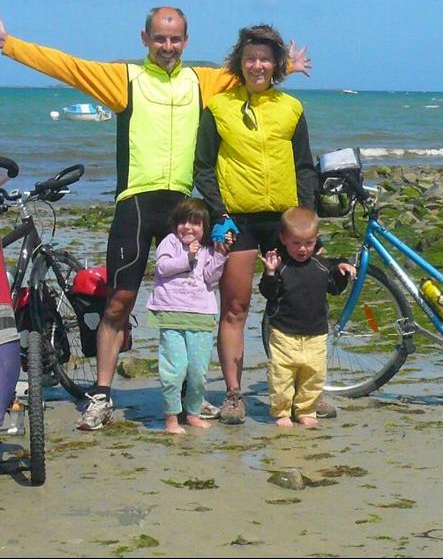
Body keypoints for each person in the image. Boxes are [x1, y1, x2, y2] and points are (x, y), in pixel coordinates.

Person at [0, 7, 310, 431]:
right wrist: (10, 45)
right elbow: (71, 68)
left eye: (176, 39)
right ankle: (102, 394)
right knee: (118, 300)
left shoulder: (202, 81)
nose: (168, 46)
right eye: (160, 38)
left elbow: (252, 73)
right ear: (145, 38)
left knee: (190, 304)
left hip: (183, 208)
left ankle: (189, 395)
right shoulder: (124, 79)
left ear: (186, 41)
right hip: (135, 203)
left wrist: (288, 65)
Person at [193, 24, 331, 425]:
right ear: (241, 62)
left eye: (265, 59)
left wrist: (306, 215)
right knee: (235, 307)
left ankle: (306, 392)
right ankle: (234, 393)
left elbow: (305, 166)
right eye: (250, 58)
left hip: (285, 220)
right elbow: (203, 168)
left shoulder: (291, 107)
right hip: (238, 220)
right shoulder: (219, 108)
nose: (257, 65)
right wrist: (219, 214)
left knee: (297, 304)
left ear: (276, 66)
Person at [259, 207, 356, 427]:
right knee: (280, 376)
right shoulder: (281, 266)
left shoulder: (321, 265)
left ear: (317, 240)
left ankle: (306, 410)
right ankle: (282, 411)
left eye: (309, 243)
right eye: (296, 244)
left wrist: (342, 269)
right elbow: (268, 293)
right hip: (284, 332)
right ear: (283, 239)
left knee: (314, 375)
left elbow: (334, 287)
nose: (303, 249)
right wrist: (271, 274)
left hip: (316, 333)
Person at [146, 199, 227, 434]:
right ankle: (171, 417)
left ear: (205, 228)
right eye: (183, 222)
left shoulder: (207, 249)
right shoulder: (169, 242)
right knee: (174, 369)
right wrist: (188, 258)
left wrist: (220, 255)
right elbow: (162, 268)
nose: (188, 228)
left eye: (195, 223)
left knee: (198, 372)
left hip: (200, 316)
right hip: (171, 314)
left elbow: (211, 278)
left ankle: (192, 413)